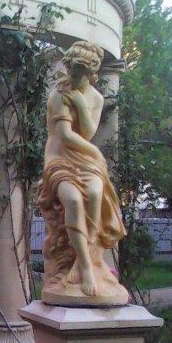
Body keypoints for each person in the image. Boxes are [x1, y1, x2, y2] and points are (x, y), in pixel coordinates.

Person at [38, 40, 125, 299]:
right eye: (70, 71)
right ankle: (86, 266)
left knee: (96, 195)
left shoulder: (95, 97)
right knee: (74, 200)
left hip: (84, 158)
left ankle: (81, 260)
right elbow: (65, 135)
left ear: (90, 73)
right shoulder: (59, 94)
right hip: (59, 158)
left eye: (78, 73)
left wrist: (81, 105)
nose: (72, 78)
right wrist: (96, 153)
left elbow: (87, 133)